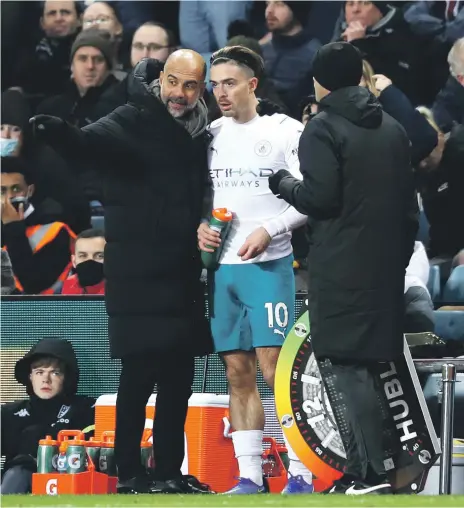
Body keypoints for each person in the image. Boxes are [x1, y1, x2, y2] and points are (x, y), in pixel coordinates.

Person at [30, 51, 214, 494]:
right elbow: (87, 142)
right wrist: (58, 131)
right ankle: (129, 474)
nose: (180, 94)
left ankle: (169, 471)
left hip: (182, 275)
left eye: (191, 86)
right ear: (161, 80)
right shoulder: (131, 117)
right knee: (136, 380)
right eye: (174, 82)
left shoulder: (200, 129)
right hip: (138, 276)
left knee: (178, 382)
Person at [268, 42, 418, 494]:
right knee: (373, 366)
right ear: (358, 76)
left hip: (340, 267)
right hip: (386, 266)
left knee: (349, 367)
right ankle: (376, 470)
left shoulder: (322, 129)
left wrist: (283, 183)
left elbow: (320, 198)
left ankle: (369, 473)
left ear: (319, 81)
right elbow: (408, 207)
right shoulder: (392, 127)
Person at [198, 46, 312, 495]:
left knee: (275, 371)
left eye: (229, 83)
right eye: (215, 83)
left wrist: (271, 228)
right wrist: (200, 230)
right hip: (221, 271)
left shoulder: (285, 131)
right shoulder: (208, 134)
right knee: (237, 371)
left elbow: (311, 195)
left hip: (269, 266)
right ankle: (250, 476)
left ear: (252, 84)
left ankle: (302, 472)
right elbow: (199, 200)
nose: (220, 92)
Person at [0, 337, 95, 494]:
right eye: (39, 372)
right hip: (18, 481)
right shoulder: (10, 413)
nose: (46, 379)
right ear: (30, 377)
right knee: (18, 472)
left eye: (55, 373)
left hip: (70, 482)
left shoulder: (86, 409)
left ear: (66, 378)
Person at [1, 157, 76, 295]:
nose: (9, 197)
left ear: (30, 190)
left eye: (16, 189)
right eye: (2, 191)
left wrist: (13, 227)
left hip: (39, 312)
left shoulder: (56, 230)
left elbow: (33, 284)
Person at [61, 228, 106, 295]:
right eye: (83, 256)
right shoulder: (69, 284)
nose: (90, 260)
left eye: (99, 256)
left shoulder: (120, 289)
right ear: (74, 261)